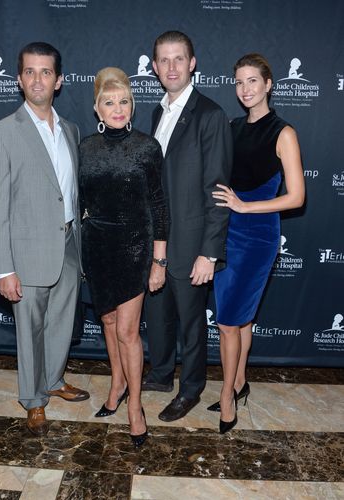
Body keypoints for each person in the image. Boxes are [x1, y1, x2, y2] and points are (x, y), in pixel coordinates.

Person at [0, 42, 90, 437]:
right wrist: (4, 268)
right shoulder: (2, 133)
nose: (37, 79)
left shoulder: (72, 130)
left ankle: (54, 380)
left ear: (59, 81)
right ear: (19, 79)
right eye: (29, 71)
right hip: (25, 255)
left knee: (60, 324)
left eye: (45, 72)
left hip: (68, 247)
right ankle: (33, 399)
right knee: (30, 329)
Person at [210, 53, 305, 433]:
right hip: (225, 233)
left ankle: (226, 398)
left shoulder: (284, 132)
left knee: (229, 323)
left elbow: (297, 197)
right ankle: (238, 381)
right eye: (239, 81)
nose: (245, 89)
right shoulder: (232, 127)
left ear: (268, 84)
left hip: (257, 236)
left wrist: (246, 206)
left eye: (253, 81)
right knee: (241, 319)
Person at [142, 31, 233, 422]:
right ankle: (161, 374)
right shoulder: (157, 112)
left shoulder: (210, 115)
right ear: (155, 67)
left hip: (192, 243)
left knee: (193, 325)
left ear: (192, 63)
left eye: (179, 59)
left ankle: (191, 388)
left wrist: (209, 252)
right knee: (159, 315)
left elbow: (217, 190)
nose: (172, 67)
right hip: (157, 242)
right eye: (164, 60)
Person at [79, 67, 168, 447]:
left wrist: (158, 259)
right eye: (109, 102)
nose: (117, 109)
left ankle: (135, 405)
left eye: (124, 101)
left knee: (129, 331)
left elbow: (160, 205)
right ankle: (116, 383)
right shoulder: (85, 148)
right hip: (98, 246)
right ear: (97, 109)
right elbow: (80, 199)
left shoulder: (148, 147)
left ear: (133, 105)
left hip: (135, 245)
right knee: (109, 320)